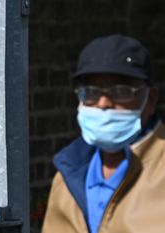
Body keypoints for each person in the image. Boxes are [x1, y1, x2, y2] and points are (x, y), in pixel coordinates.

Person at [42, 34, 164, 233]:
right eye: (91, 92)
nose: (103, 103)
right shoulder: (67, 176)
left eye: (121, 91)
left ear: (150, 100)